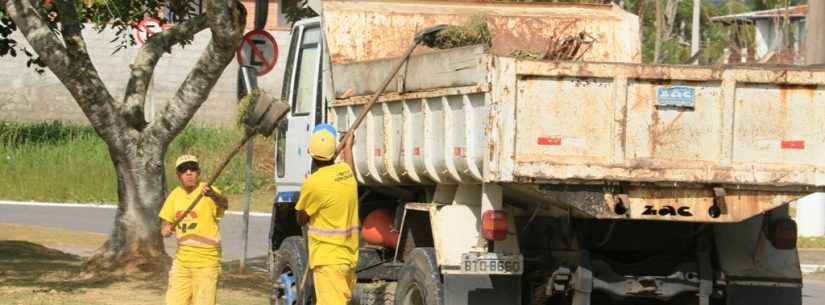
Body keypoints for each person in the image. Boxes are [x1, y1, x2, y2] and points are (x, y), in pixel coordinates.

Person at [295, 124, 359, 305]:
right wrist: (348, 148)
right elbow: (349, 167)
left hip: (328, 261)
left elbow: (301, 218)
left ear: (311, 154)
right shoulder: (346, 174)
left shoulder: (313, 183)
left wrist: (306, 189)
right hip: (348, 258)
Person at [159, 154, 229, 305]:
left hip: (207, 263)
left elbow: (224, 204)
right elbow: (165, 225)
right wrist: (166, 229)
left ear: (199, 172)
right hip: (182, 263)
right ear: (178, 175)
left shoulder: (208, 190)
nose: (189, 172)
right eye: (184, 170)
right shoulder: (175, 196)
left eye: (192, 168)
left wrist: (212, 195)